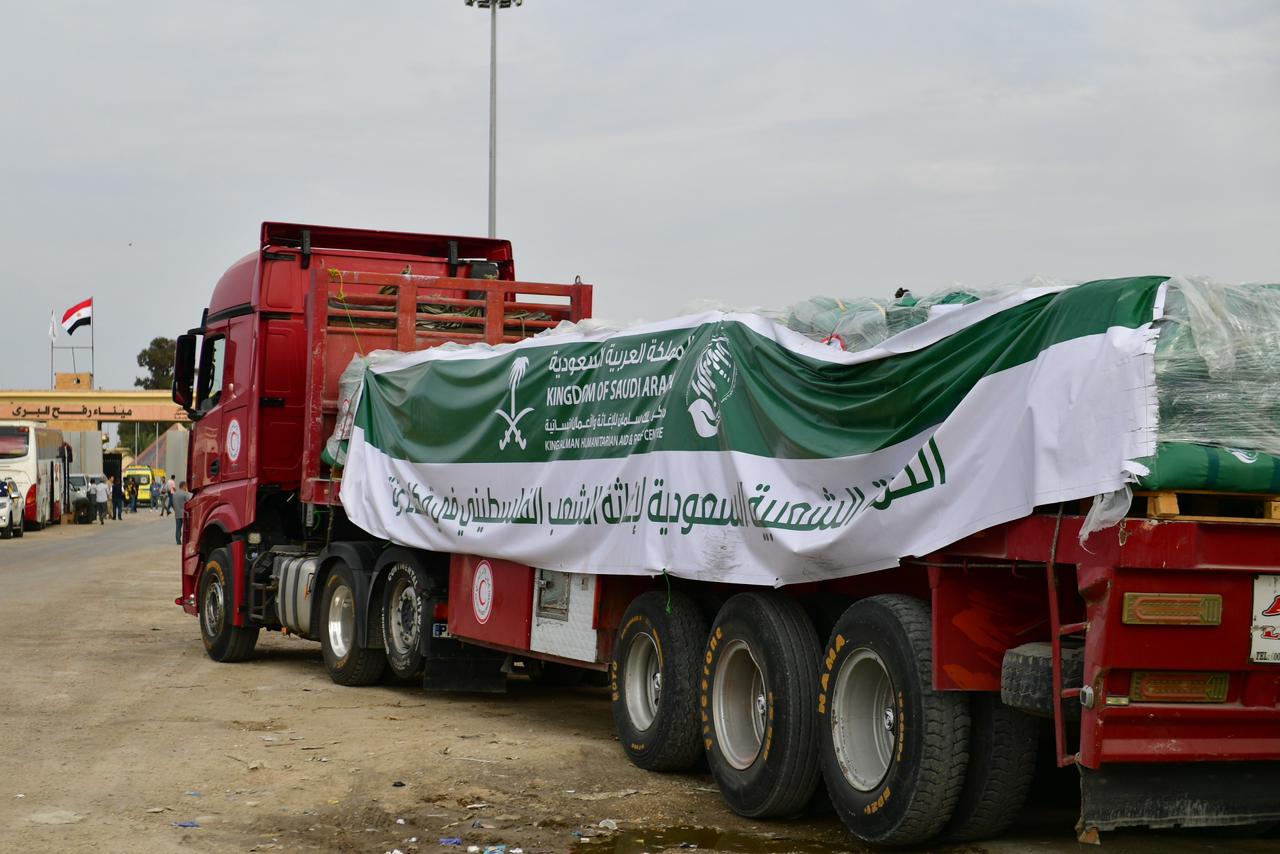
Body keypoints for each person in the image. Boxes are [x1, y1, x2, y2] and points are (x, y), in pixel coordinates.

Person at [171, 481, 192, 546]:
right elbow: (189, 503)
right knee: (186, 528)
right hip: (184, 514)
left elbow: (173, 504)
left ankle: (178, 541)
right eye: (186, 486)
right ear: (183, 486)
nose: (186, 487)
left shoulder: (174, 494)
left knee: (178, 528)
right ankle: (186, 541)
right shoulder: (185, 494)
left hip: (177, 513)